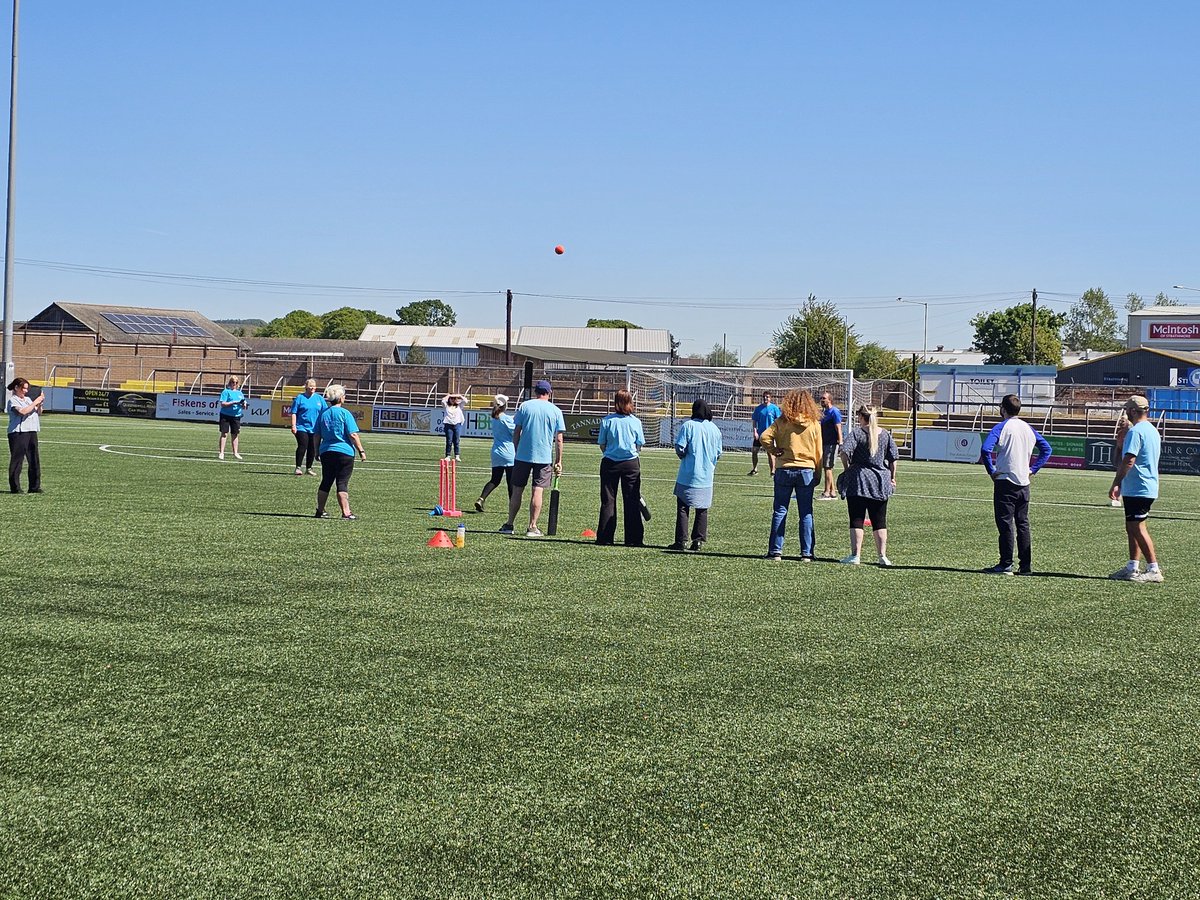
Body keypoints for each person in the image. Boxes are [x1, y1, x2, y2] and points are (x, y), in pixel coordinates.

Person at [980, 394, 1052, 575]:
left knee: (1005, 524)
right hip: (1024, 482)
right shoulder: (1028, 428)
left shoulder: (1001, 427)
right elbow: (1046, 449)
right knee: (1023, 524)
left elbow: (985, 449)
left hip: (1005, 481)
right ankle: (1025, 566)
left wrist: (991, 470)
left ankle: (1005, 564)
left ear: (1003, 409)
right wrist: (1033, 469)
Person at [759, 390, 822, 561]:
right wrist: (818, 472)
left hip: (784, 468)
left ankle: (775, 552)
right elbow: (819, 451)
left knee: (780, 510)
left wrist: (774, 450)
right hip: (806, 470)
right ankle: (807, 553)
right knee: (806, 513)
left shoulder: (782, 421)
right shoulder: (814, 423)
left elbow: (764, 437)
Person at [1108, 395, 1163, 583]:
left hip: (1139, 487)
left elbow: (1128, 460)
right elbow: (1122, 458)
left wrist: (1116, 482)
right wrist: (1119, 444)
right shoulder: (1152, 430)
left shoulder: (1137, 431)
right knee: (1131, 527)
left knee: (1137, 528)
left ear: (1132, 411)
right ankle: (1133, 567)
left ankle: (1153, 569)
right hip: (1141, 487)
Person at [502, 380, 565, 537]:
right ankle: (532, 527)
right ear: (549, 393)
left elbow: (516, 432)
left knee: (517, 490)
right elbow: (559, 439)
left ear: (535, 391)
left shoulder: (525, 406)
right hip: (543, 458)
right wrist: (558, 461)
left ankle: (509, 524)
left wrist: (517, 451)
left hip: (523, 455)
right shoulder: (556, 410)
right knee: (538, 491)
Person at [837, 405, 899, 566]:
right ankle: (882, 556)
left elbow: (844, 451)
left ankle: (855, 555)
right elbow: (894, 458)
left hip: (859, 480)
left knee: (856, 518)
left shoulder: (857, 433)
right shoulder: (885, 434)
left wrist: (847, 468)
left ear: (861, 417)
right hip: (880, 480)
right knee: (880, 520)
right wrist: (892, 477)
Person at [670, 399, 723, 552]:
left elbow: (680, 447)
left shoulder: (688, 426)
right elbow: (718, 453)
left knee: (682, 507)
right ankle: (698, 540)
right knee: (702, 509)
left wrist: (684, 456)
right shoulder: (714, 429)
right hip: (706, 475)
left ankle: (681, 540)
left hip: (688, 474)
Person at [596, 389, 647, 547]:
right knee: (631, 500)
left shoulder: (607, 421)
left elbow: (602, 444)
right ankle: (633, 539)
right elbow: (639, 445)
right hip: (631, 463)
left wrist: (612, 453)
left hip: (610, 462)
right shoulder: (635, 422)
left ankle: (605, 537)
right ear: (630, 403)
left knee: (608, 500)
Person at [314, 384, 366, 520]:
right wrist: (361, 450)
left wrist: (316, 451)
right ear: (341, 398)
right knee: (342, 482)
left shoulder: (323, 414)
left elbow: (317, 435)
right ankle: (346, 512)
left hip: (326, 451)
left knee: (326, 481)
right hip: (345, 452)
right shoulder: (345, 413)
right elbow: (353, 435)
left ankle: (320, 510)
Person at [474, 394, 516, 513]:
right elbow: (515, 432)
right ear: (504, 406)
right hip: (508, 452)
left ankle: (481, 498)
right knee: (511, 481)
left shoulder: (495, 418)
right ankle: (512, 505)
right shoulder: (506, 419)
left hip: (496, 452)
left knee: (495, 480)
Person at [7, 377, 44, 494]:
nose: (26, 391)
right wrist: (35, 402)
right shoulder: (13, 400)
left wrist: (40, 404)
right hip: (18, 433)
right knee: (17, 461)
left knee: (34, 460)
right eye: (24, 388)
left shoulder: (28, 399)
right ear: (16, 388)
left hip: (31, 431)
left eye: (27, 389)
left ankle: (34, 487)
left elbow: (38, 412)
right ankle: (15, 487)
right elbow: (22, 412)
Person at [290, 379, 327, 476]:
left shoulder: (319, 399)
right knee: (303, 445)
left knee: (312, 448)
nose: (312, 388)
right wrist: (293, 425)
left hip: (315, 428)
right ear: (306, 387)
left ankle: (309, 468)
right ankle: (298, 467)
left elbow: (325, 412)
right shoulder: (300, 398)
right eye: (310, 386)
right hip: (301, 427)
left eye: (314, 386)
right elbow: (294, 412)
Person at [748, 391, 782, 476]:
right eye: (764, 397)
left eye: (767, 397)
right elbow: (754, 421)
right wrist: (755, 431)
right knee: (754, 451)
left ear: (770, 398)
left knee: (770, 453)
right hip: (759, 434)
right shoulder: (758, 409)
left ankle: (773, 471)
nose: (765, 398)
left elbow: (778, 421)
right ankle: (754, 469)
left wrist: (776, 432)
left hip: (770, 435)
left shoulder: (774, 408)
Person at [818, 391, 843, 499]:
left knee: (828, 467)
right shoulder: (824, 412)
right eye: (821, 398)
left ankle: (827, 492)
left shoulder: (834, 412)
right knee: (826, 467)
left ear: (829, 400)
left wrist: (840, 442)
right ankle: (832, 491)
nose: (822, 400)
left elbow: (838, 427)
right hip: (824, 442)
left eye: (824, 398)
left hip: (831, 443)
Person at [217, 375, 247, 461]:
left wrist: (243, 404)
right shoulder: (226, 392)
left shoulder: (240, 393)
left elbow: (243, 403)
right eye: (232, 382)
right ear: (229, 383)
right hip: (225, 415)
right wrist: (233, 402)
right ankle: (221, 452)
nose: (234, 384)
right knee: (224, 433)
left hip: (236, 416)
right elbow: (223, 404)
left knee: (235, 434)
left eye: (236, 382)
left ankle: (235, 452)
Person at [1111, 410, 1130, 507]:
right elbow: (1118, 446)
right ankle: (1117, 498)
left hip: (1128, 458)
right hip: (1121, 458)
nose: (1121, 423)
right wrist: (1115, 456)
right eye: (1120, 422)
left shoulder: (1131, 432)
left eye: (1123, 421)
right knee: (1119, 477)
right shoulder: (1120, 433)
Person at [442, 393, 465, 460]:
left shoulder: (459, 406)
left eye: (454, 399)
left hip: (457, 424)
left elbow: (465, 401)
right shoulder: (446, 406)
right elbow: (443, 401)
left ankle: (457, 455)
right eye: (451, 399)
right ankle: (448, 455)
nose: (452, 400)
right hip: (448, 424)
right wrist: (449, 395)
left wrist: (459, 396)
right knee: (449, 441)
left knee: (456, 441)